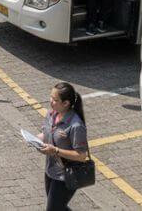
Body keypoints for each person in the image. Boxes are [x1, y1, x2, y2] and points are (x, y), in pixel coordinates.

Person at [37, 82, 88, 211]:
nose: (51, 101)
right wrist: (36, 139)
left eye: (55, 99)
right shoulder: (51, 115)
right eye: (51, 97)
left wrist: (56, 150)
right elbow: (47, 134)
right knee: (58, 208)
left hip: (66, 175)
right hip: (51, 170)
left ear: (65, 103)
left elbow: (81, 156)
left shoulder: (76, 126)